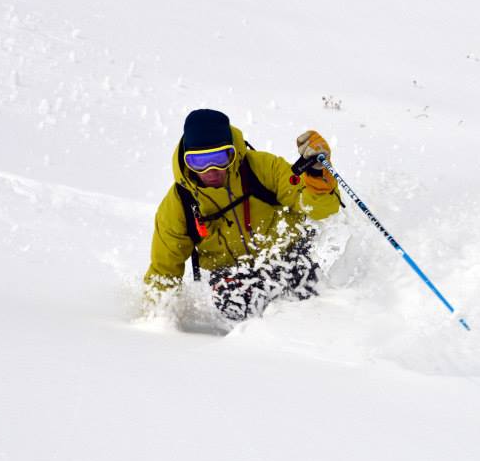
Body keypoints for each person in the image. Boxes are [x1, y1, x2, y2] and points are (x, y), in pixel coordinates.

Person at [143, 108, 342, 320]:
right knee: (239, 307)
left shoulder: (263, 169)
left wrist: (315, 174)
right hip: (233, 280)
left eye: (220, 158)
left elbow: (323, 209)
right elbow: (163, 272)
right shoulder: (179, 205)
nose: (211, 170)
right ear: (187, 162)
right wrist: (156, 319)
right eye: (199, 162)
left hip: (288, 260)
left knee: (320, 308)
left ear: (233, 153)